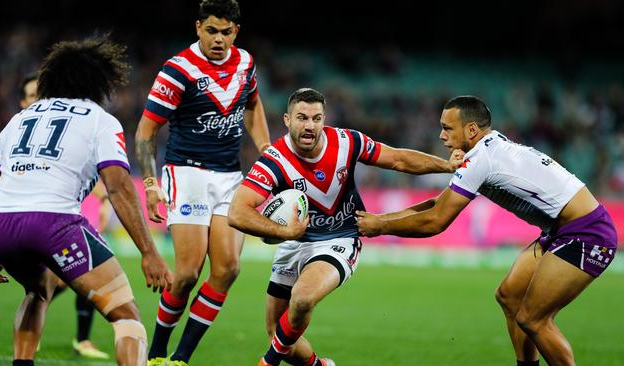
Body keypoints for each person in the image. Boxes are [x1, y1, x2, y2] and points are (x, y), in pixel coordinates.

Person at [357, 95, 618, 366]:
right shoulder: (490, 147)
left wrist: (380, 227)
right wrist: (379, 219)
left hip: (588, 233)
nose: (441, 135)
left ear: (471, 130)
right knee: (510, 296)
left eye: (448, 128)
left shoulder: (481, 159)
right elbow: (438, 204)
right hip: (561, 230)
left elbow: (435, 221)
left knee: (533, 319)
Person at [228, 88, 463, 366]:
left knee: (302, 299)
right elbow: (237, 212)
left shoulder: (347, 142)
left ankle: (267, 363)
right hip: (293, 242)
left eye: (316, 118)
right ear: (287, 120)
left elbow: (398, 158)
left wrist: (446, 166)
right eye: (302, 118)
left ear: (324, 119)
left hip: (339, 240)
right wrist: (283, 232)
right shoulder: (274, 160)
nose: (309, 126)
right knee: (279, 337)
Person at [0, 35, 173, 366]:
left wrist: (0, 245)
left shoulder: (20, 119)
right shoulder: (99, 119)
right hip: (53, 223)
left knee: (38, 291)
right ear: (100, 81)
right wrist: (149, 253)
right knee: (126, 314)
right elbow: (118, 186)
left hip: (0, 224)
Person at [134, 1, 271, 364]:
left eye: (226, 32)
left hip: (229, 176)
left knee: (228, 269)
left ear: (235, 32)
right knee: (188, 273)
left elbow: (253, 106)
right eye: (211, 30)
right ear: (198, 28)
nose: (219, 39)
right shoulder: (177, 70)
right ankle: (157, 351)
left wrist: (267, 150)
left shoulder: (245, 63)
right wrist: (150, 183)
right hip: (187, 172)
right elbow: (146, 133)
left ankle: (181, 357)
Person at [12, 74, 112, 359]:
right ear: (22, 102)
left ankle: (75, 338)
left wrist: (103, 198)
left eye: (40, 96)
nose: (37, 101)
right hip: (28, 222)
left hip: (58, 221)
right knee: (64, 278)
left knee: (79, 275)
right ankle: (33, 333)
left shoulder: (56, 133)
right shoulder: (16, 135)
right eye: (31, 96)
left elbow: (75, 172)